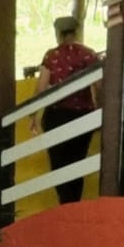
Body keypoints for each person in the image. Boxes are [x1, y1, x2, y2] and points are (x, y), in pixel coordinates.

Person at [29, 17, 101, 205]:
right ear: (76, 32)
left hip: (57, 116)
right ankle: (73, 205)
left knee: (59, 164)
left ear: (58, 34)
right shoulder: (88, 55)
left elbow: (41, 88)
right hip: (82, 115)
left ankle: (65, 203)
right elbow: (98, 86)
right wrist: (100, 112)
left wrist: (32, 115)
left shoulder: (51, 56)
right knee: (77, 163)